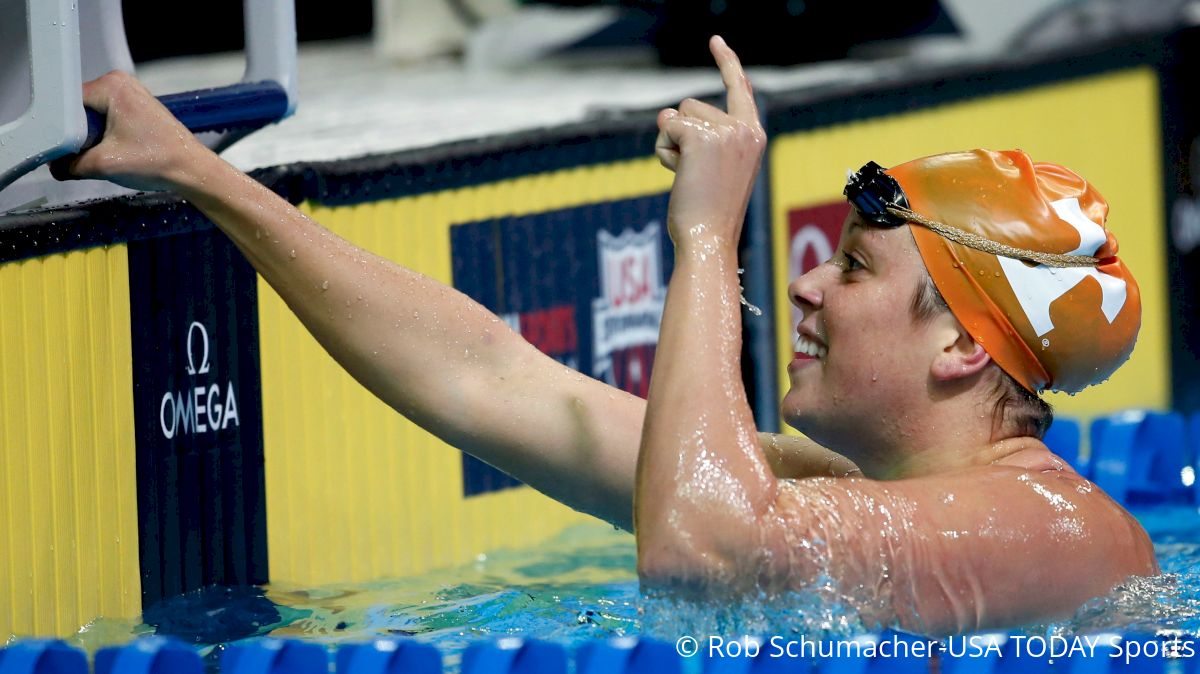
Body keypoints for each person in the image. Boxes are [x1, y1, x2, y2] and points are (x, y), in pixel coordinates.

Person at [63, 36, 1156, 635]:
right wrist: (199, 172)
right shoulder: (854, 496)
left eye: (855, 267)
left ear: (963, 347)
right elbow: (490, 377)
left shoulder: (1055, 532)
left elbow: (701, 552)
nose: (810, 287)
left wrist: (702, 240)